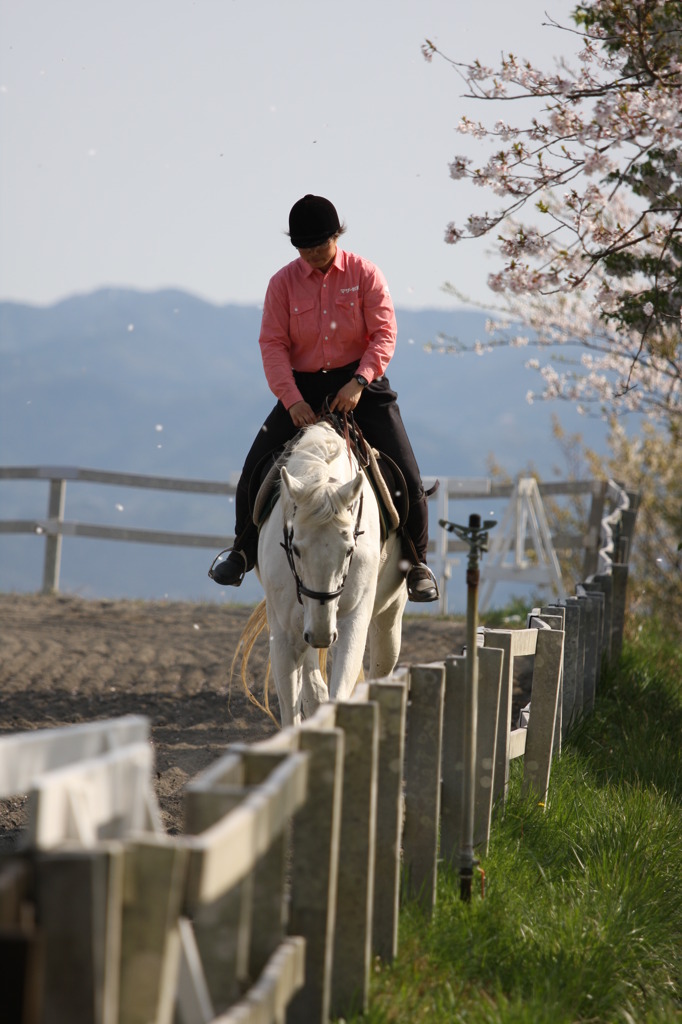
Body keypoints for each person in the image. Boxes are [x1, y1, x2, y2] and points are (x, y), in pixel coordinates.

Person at [209, 194, 439, 602]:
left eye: (320, 245)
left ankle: (418, 563)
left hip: (361, 384)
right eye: (304, 248)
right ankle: (242, 551)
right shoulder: (282, 283)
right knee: (253, 471)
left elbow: (384, 334)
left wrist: (360, 381)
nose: (313, 254)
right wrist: (291, 399)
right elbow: (272, 344)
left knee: (407, 474)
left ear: (337, 236)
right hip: (302, 389)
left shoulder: (365, 273)